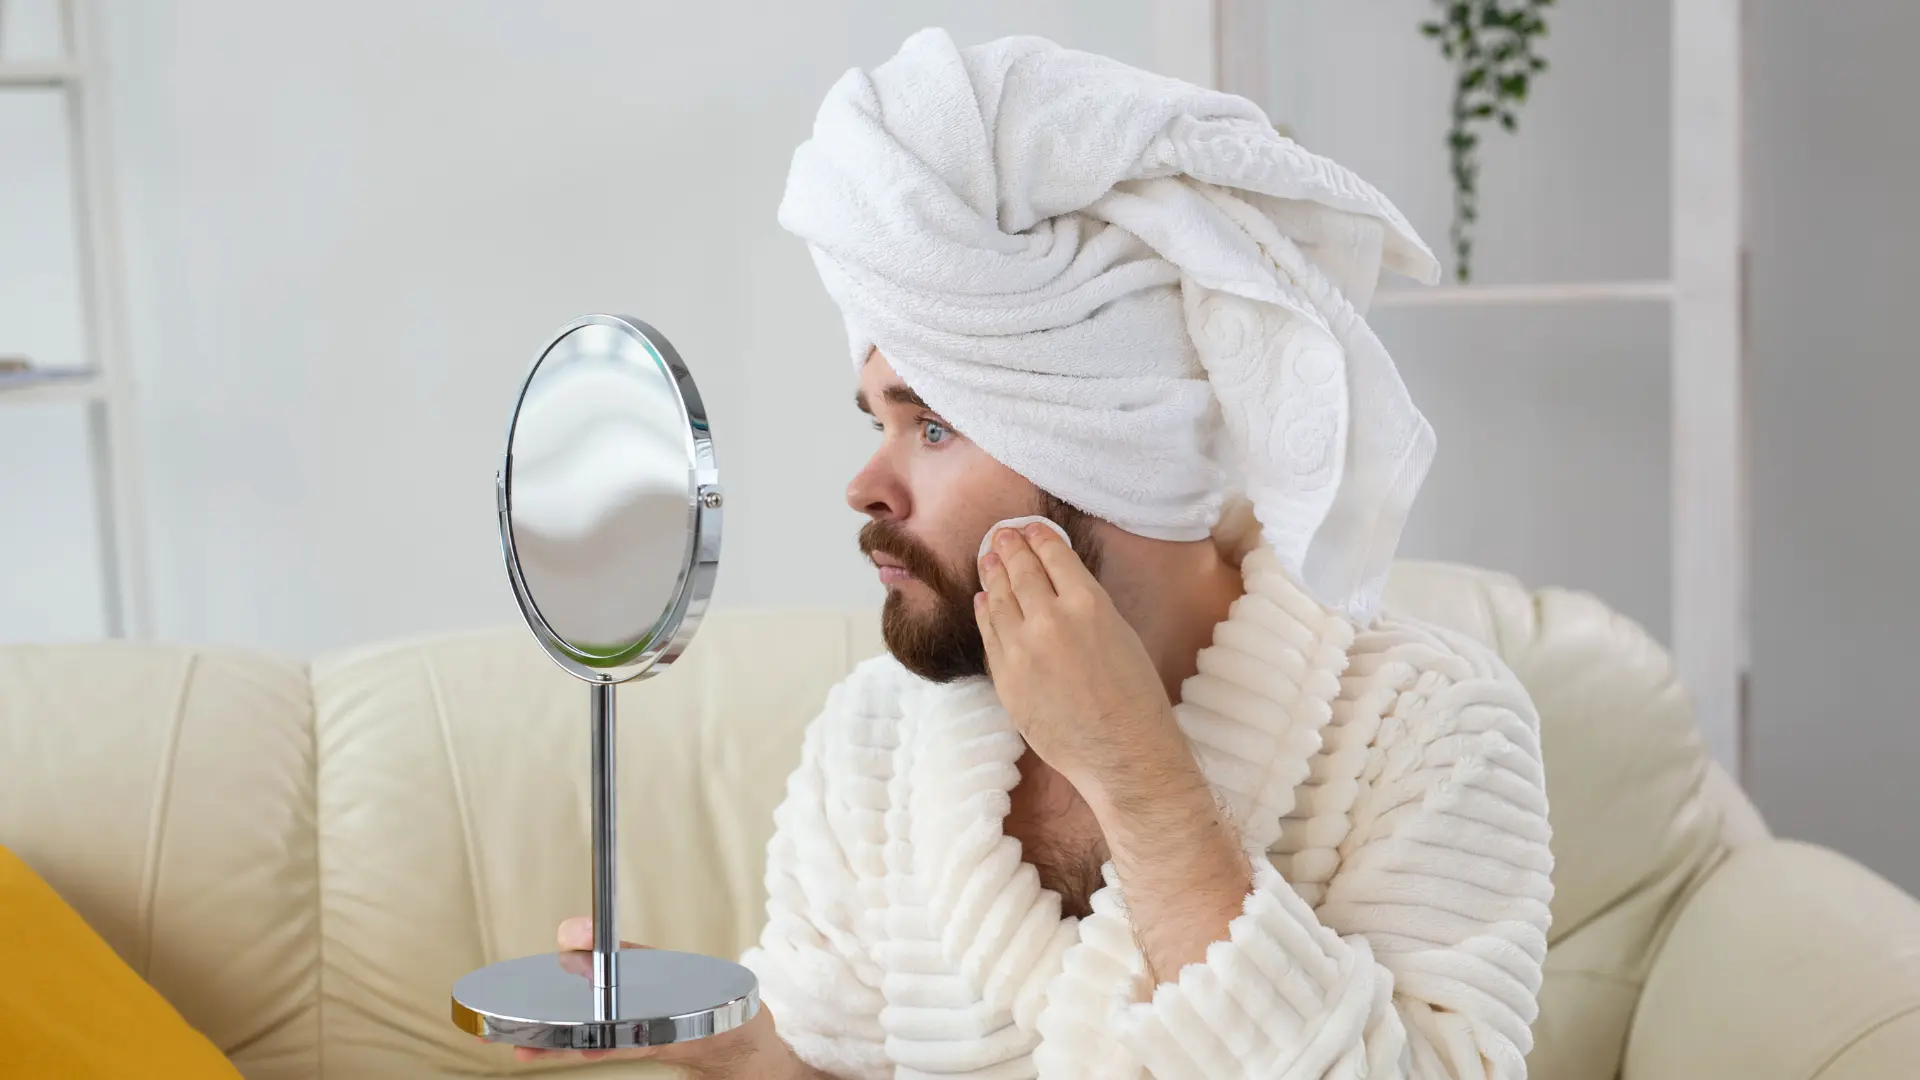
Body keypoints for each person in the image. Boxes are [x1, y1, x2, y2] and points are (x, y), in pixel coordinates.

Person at [515, 28, 1553, 1080]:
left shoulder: (1426, 728)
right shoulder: (874, 744)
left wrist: (1141, 776)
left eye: (931, 427)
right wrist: (748, 1054)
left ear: (1103, 443)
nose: (866, 487)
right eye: (877, 421)